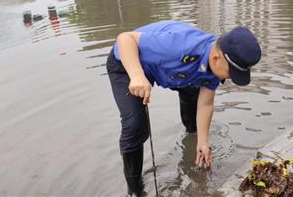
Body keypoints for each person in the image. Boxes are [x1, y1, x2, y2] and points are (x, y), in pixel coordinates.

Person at [106, 21, 262, 196]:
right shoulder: (177, 47)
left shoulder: (214, 66)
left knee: (193, 97)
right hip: (129, 63)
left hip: (174, 71)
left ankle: (191, 134)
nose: (230, 78)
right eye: (231, 73)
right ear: (216, 58)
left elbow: (206, 103)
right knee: (135, 126)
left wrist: (203, 142)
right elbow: (125, 39)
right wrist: (136, 75)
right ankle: (134, 190)